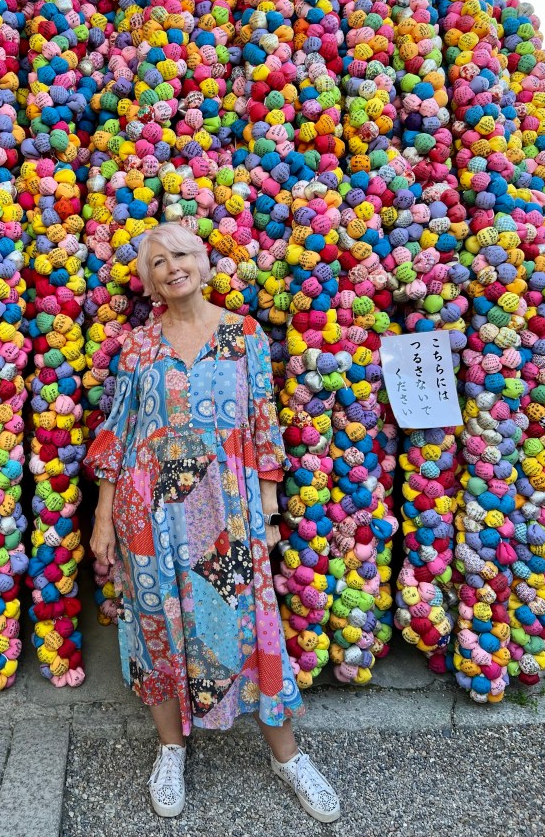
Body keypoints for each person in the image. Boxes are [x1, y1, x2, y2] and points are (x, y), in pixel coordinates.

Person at [85, 222, 340, 823]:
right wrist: (102, 517)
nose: (172, 267)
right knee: (155, 627)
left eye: (180, 254)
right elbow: (117, 432)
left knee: (251, 627)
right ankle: (170, 750)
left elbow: (262, 422)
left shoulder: (244, 335)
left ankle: (288, 757)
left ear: (203, 262)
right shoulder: (138, 346)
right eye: (157, 263)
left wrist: (269, 513)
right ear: (149, 282)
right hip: (147, 515)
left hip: (227, 510)